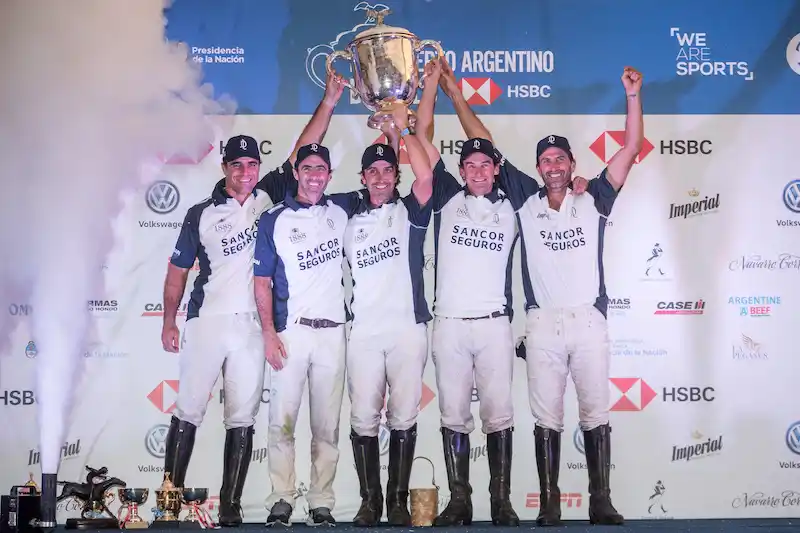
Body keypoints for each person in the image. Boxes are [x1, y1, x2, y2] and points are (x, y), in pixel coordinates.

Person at [446, 62, 644, 527]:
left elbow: (632, 147)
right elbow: (485, 142)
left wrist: (633, 97)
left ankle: (601, 500)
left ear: (573, 165)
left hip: (589, 321)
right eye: (546, 161)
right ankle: (550, 501)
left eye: (561, 160)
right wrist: (456, 95)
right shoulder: (525, 200)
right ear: (538, 168)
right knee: (546, 418)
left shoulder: (594, 196)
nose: (553, 167)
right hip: (541, 326)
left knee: (596, 412)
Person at [159, 73, 345, 527]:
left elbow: (305, 148)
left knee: (241, 418)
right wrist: (169, 320)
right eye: (237, 165)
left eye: (251, 165)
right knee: (188, 411)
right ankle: (167, 501)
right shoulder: (200, 213)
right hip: (206, 322)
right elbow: (177, 271)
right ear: (224, 167)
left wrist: (330, 102)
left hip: (251, 329)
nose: (245, 172)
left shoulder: (270, 198)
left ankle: (231, 504)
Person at [254, 138, 368, 527]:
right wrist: (268, 332)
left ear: (330, 175)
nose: (315, 176)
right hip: (292, 334)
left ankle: (321, 501)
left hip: (332, 334)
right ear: (296, 173)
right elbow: (261, 282)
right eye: (308, 169)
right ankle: (282, 499)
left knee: (326, 426)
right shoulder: (274, 219)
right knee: (281, 423)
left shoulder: (342, 208)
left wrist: (392, 129)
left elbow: (385, 181)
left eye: (321, 169)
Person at [345, 86, 437, 526]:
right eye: (373, 172)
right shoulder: (344, 215)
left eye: (387, 172)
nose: (381, 178)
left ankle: (397, 500)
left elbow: (426, 176)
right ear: (362, 178)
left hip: (407, 329)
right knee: (363, 416)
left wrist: (401, 129)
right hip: (364, 332)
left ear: (394, 177)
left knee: (403, 416)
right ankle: (369, 501)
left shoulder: (410, 211)